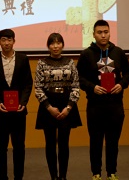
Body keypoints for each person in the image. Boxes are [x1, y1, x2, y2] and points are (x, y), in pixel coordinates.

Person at [77, 19, 129, 180]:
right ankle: (96, 173)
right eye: (100, 32)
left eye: (106, 32)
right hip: (95, 105)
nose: (103, 35)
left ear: (110, 33)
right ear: (94, 34)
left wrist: (122, 84)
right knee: (95, 141)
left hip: (115, 105)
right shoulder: (87, 54)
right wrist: (92, 87)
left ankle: (112, 172)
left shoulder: (118, 52)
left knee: (113, 142)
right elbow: (78, 77)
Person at [34, 33, 82, 180]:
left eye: (58, 43)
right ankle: (53, 176)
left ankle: (63, 176)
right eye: (52, 43)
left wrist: (68, 108)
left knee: (63, 143)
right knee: (50, 143)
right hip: (48, 105)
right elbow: (38, 87)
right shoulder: (41, 63)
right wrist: (49, 107)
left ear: (63, 45)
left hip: (66, 104)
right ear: (48, 46)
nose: (55, 46)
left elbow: (76, 86)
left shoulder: (70, 62)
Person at [0, 28, 33, 180]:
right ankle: (2, 177)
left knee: (19, 146)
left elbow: (28, 83)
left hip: (19, 111)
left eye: (9, 40)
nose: (6, 43)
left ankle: (18, 177)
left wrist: (23, 102)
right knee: (0, 147)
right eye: (3, 40)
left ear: (14, 41)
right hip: (1, 111)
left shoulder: (23, 59)